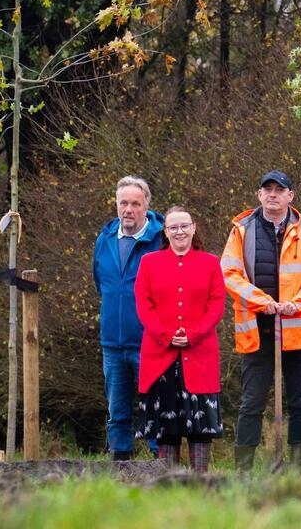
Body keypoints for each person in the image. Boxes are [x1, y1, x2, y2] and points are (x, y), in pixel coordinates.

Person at [220, 169, 301, 473]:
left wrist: (295, 304)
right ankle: (243, 472)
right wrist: (262, 302)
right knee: (252, 402)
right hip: (257, 329)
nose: (273, 194)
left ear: (290, 196)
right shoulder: (241, 229)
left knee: (300, 404)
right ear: (259, 195)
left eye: (279, 189)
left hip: (297, 329)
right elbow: (229, 273)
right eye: (267, 189)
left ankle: (297, 471)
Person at [133, 206, 226, 472]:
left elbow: (216, 304)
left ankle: (200, 483)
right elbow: (143, 303)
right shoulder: (149, 262)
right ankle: (168, 483)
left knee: (200, 427)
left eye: (184, 225)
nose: (179, 231)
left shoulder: (210, 262)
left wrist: (195, 334)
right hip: (160, 354)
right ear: (165, 231)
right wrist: (165, 336)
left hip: (200, 354)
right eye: (173, 227)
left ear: (194, 227)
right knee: (167, 428)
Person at [91, 174, 165, 460]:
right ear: (116, 204)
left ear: (146, 205)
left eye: (135, 203)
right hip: (112, 342)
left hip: (150, 341)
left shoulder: (160, 239)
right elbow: (101, 284)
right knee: (117, 411)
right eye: (123, 203)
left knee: (157, 406)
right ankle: (120, 467)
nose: (128, 209)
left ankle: (163, 469)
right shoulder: (104, 239)